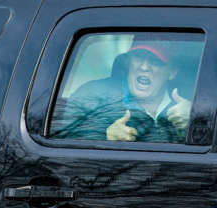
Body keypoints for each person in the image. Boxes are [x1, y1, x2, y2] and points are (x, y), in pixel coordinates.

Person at [50, 40, 192, 143]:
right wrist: (105, 139)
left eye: (155, 61)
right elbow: (59, 142)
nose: (144, 67)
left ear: (172, 72)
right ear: (127, 62)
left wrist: (195, 122)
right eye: (138, 57)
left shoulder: (193, 105)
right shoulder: (92, 94)